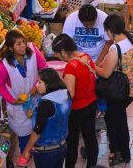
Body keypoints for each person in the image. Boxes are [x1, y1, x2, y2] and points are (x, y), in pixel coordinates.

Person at [94, 14, 133, 166]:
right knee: (112, 117)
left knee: (118, 123)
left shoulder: (116, 48)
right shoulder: (132, 39)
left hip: (119, 91)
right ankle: (115, 148)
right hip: (131, 87)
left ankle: (122, 154)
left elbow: (105, 73)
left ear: (109, 30)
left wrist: (91, 66)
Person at [0, 30, 48, 153]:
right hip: (18, 107)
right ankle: (25, 157)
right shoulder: (4, 66)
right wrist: (12, 100)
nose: (23, 45)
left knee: (39, 130)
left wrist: (37, 85)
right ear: (10, 48)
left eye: (23, 42)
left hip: (36, 99)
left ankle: (38, 153)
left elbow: (44, 68)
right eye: (18, 44)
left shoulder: (33, 51)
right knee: (24, 137)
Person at [51, 35, 98, 168]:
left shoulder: (71, 67)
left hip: (77, 109)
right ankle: (92, 165)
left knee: (72, 142)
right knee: (90, 137)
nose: (59, 58)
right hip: (91, 102)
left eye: (59, 55)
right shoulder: (85, 57)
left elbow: (70, 93)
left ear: (63, 52)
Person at [18, 68, 70, 168]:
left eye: (40, 82)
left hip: (46, 152)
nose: (37, 85)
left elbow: (38, 130)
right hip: (62, 146)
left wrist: (26, 150)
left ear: (48, 84)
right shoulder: (66, 95)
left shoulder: (46, 104)